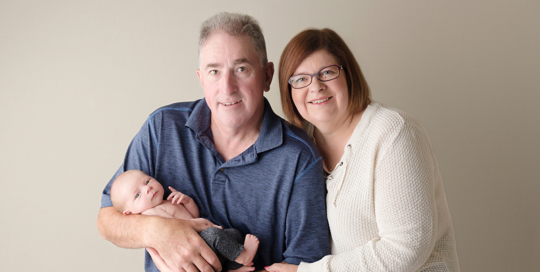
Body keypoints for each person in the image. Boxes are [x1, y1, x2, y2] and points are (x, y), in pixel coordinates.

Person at [97, 13, 331, 272]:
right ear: (201, 79)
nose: (227, 87)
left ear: (266, 76)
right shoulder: (162, 127)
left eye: (241, 69)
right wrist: (159, 231)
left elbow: (307, 266)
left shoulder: (300, 157)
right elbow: (107, 219)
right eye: (214, 71)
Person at [266, 28, 460, 272]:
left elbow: (407, 248)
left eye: (326, 72)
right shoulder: (299, 148)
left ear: (348, 74)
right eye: (300, 79)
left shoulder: (394, 133)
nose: (315, 86)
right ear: (289, 91)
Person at [110, 170, 260, 272]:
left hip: (203, 240)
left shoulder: (167, 201)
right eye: (137, 195)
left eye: (147, 181)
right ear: (129, 212)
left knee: (233, 234)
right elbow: (173, 232)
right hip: (193, 248)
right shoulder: (148, 215)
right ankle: (244, 256)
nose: (147, 189)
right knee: (216, 235)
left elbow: (192, 216)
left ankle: (234, 267)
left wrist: (187, 202)